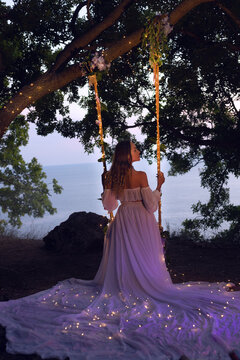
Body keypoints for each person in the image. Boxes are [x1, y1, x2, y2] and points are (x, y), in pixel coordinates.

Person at [0, 140, 240, 360]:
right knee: (146, 256)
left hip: (124, 219)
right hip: (142, 221)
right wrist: (160, 185)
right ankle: (144, 283)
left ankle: (127, 283)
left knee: (126, 254)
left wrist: (105, 186)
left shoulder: (113, 178)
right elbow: (152, 206)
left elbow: (109, 205)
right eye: (135, 149)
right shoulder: (142, 175)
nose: (138, 151)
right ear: (128, 155)